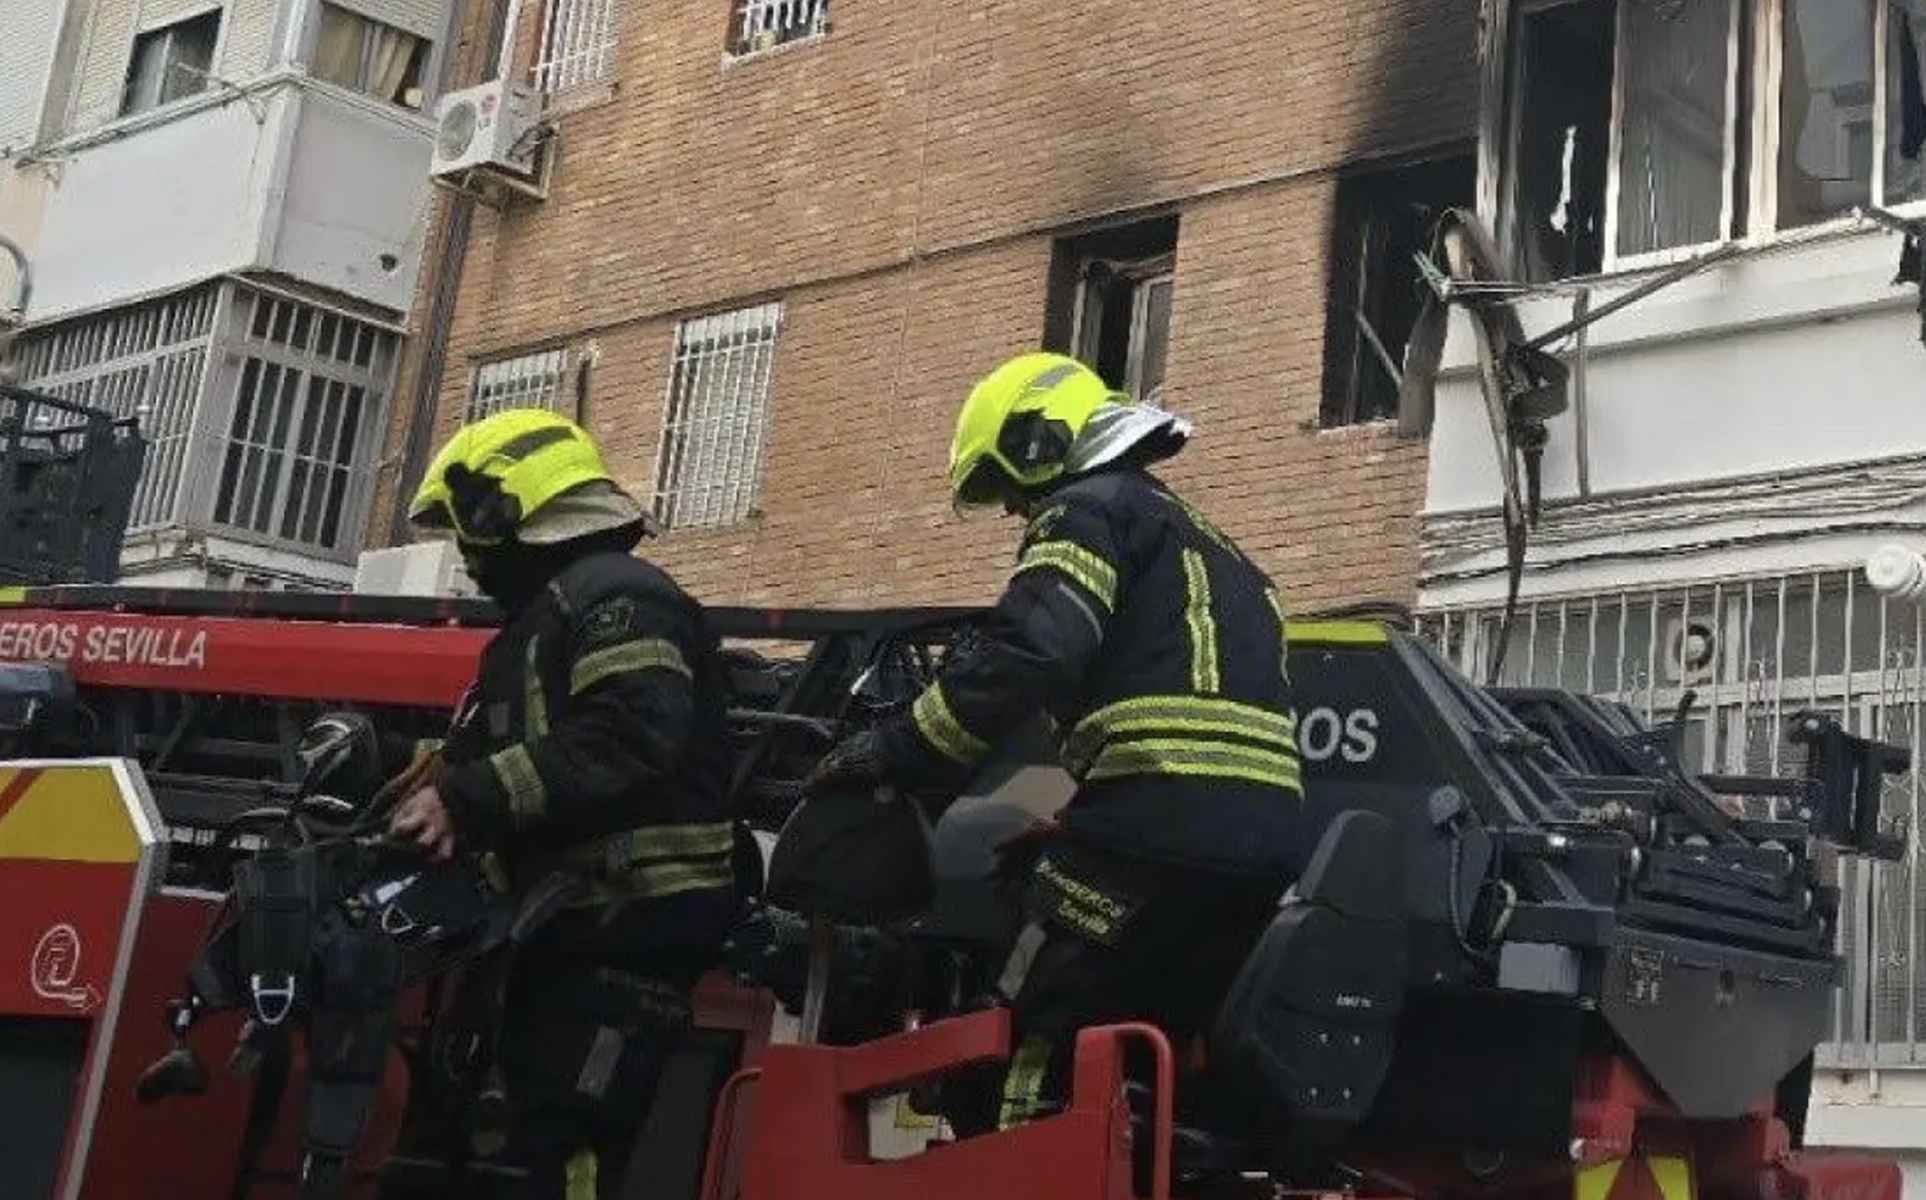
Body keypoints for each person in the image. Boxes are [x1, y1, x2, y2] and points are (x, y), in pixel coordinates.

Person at [805, 352, 1306, 1135]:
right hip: (1252, 860)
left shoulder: (1086, 511)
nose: (1013, 511)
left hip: (1153, 832)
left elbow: (1030, 654)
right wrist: (1085, 825)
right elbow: (1188, 726)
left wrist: (900, 748)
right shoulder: (1220, 549)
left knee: (1028, 1035)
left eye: (1010, 487)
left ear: (1041, 442)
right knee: (1140, 1053)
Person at [393, 408, 740, 1199]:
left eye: (467, 532)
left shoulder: (619, 597)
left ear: (505, 512)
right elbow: (530, 749)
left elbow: (626, 738)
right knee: (505, 1152)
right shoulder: (553, 615)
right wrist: (434, 779)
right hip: (572, 935)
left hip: (625, 930)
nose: (470, 562)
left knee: (560, 1158)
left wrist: (466, 797)